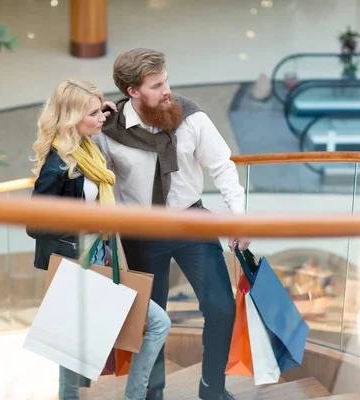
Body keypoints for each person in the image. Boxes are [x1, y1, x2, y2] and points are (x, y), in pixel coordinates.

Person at [95, 48, 251, 400]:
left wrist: (238, 217)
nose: (167, 90)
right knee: (154, 320)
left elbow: (223, 166)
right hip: (140, 232)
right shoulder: (110, 129)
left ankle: (213, 388)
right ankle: (155, 392)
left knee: (221, 306)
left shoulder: (190, 116)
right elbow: (92, 174)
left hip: (190, 222)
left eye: (166, 80)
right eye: (156, 85)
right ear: (132, 91)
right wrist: (90, 121)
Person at [28, 78, 171, 400]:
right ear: (71, 119)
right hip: (78, 264)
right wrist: (89, 224)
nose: (102, 118)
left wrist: (101, 109)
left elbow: (96, 121)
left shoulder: (87, 149)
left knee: (76, 346)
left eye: (101, 111)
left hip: (99, 257)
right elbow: (35, 225)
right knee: (74, 350)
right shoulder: (56, 168)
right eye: (95, 113)